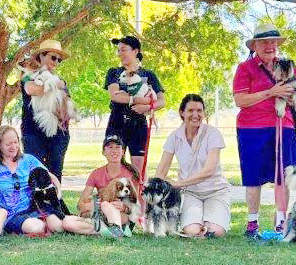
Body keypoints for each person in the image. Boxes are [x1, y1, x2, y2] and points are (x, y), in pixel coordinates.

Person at [233, 24, 296, 237]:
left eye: (273, 42)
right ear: (256, 46)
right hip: (252, 128)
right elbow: (240, 99)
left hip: (285, 126)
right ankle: (252, 224)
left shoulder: (287, 65)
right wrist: (271, 92)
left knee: (284, 176)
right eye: (264, 42)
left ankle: (281, 222)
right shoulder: (246, 68)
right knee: (253, 177)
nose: (270, 46)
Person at [154, 94, 231, 238]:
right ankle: (198, 220)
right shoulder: (174, 137)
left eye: (199, 111)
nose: (195, 115)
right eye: (190, 110)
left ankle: (217, 219)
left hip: (216, 191)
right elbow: (162, 168)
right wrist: (155, 190)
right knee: (192, 231)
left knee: (215, 232)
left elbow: (209, 170)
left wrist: (178, 184)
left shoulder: (213, 134)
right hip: (191, 193)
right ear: (182, 113)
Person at [0, 125, 84, 238]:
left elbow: (51, 177)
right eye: (8, 144)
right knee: (36, 227)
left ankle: (92, 224)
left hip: (36, 207)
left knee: (58, 226)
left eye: (15, 142)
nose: (13, 146)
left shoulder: (28, 160)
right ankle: (43, 227)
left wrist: (58, 195)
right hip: (12, 214)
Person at [104, 35, 165, 175]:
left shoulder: (148, 75)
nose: (120, 54)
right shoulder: (114, 72)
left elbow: (161, 101)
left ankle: (137, 196)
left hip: (139, 125)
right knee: (115, 168)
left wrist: (148, 107)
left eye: (123, 50)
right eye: (118, 50)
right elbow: (115, 95)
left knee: (138, 171)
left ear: (135, 51)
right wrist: (138, 100)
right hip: (117, 122)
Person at [68, 135, 141, 237]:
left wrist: (125, 207)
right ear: (103, 152)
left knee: (107, 206)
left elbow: (136, 202)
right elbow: (81, 203)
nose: (114, 151)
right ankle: (110, 232)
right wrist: (89, 207)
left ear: (123, 151)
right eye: (110, 147)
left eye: (118, 147)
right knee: (67, 222)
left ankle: (116, 229)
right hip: (100, 215)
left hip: (122, 215)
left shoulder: (131, 173)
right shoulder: (96, 174)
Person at [21, 40, 73, 180]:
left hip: (58, 135)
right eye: (53, 57)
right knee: (34, 175)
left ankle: (55, 200)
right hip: (33, 134)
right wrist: (54, 86)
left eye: (59, 59)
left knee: (55, 177)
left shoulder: (61, 81)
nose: (56, 62)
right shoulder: (28, 76)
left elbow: (65, 109)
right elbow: (30, 89)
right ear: (41, 56)